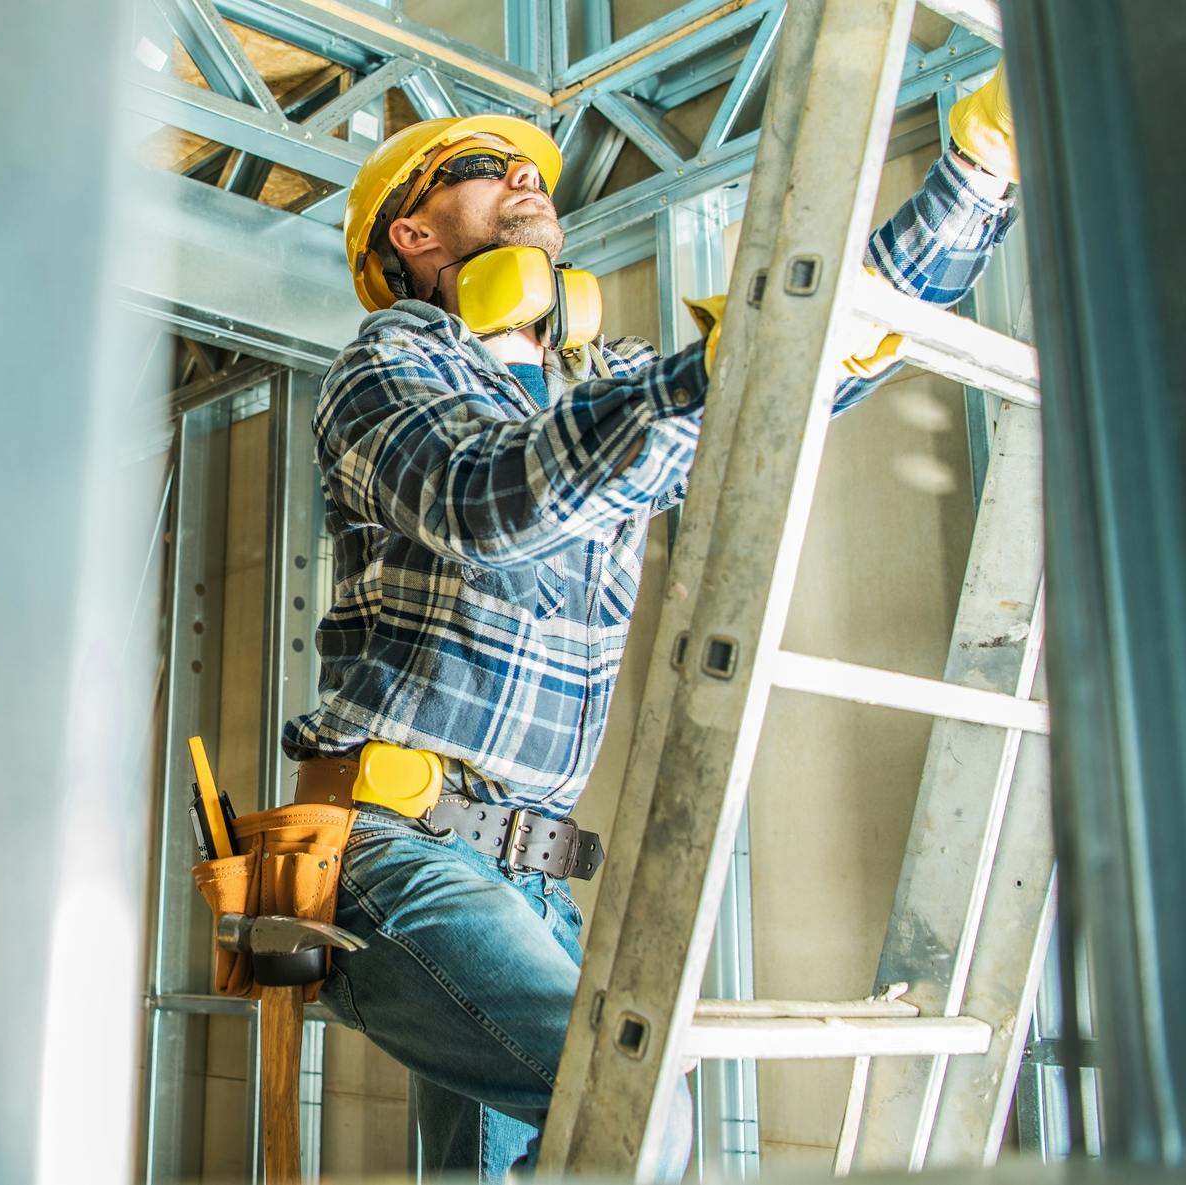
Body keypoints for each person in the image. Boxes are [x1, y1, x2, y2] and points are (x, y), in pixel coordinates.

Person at [281, 68, 1022, 1181]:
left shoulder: (603, 387)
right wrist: (709, 378)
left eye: (535, 168)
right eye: (488, 169)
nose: (530, 174)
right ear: (416, 230)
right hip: (389, 844)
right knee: (628, 1117)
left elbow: (811, 359)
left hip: (529, 868)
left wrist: (976, 172)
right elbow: (492, 504)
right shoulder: (386, 364)